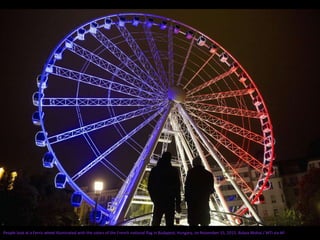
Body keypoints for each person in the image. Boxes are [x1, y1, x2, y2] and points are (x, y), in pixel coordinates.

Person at [147, 151, 181, 226]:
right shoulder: (174, 171)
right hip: (170, 201)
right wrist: (178, 204)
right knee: (169, 223)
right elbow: (177, 188)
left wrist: (154, 199)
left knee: (156, 222)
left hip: (158, 201)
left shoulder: (155, 170)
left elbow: (150, 186)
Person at [184, 156, 214, 226]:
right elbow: (211, 189)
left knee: (193, 223)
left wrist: (187, 198)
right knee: (205, 222)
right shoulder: (208, 174)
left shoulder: (191, 173)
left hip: (192, 203)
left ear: (193, 164)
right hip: (204, 202)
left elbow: (187, 187)